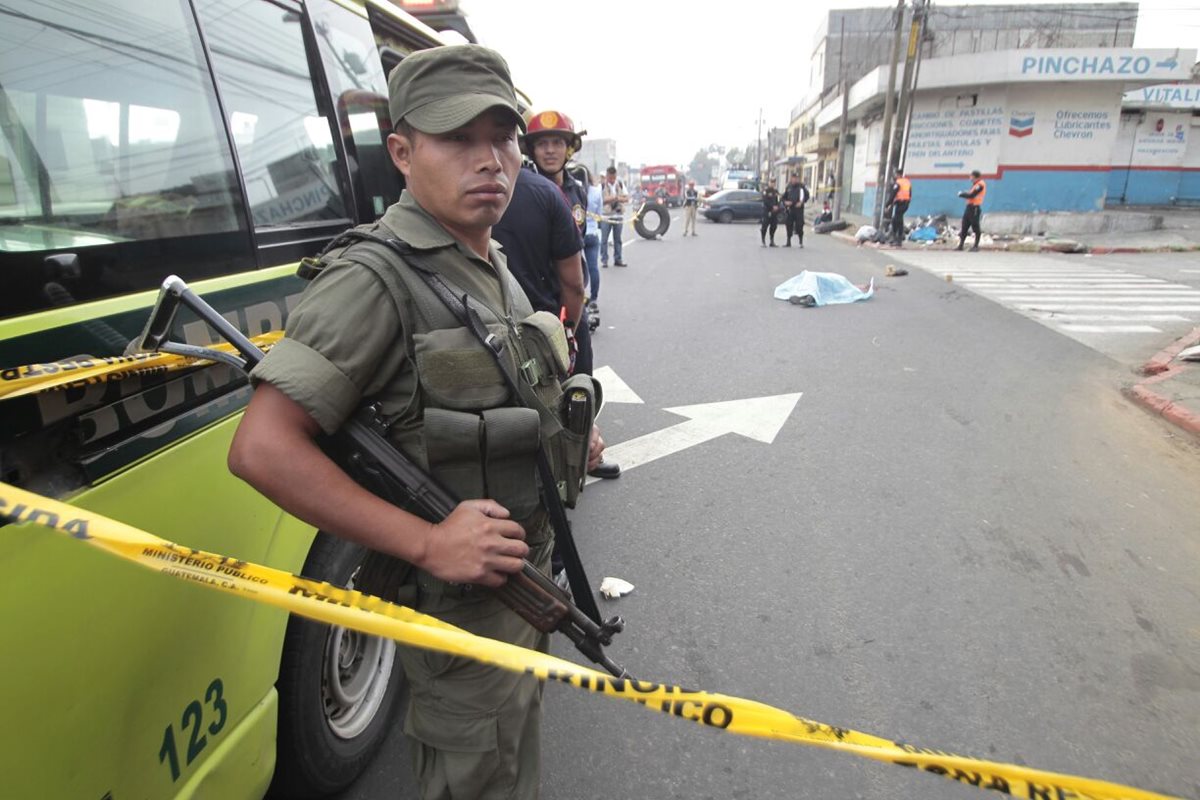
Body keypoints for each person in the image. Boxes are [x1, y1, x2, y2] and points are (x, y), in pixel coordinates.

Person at [227, 45, 606, 799]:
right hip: (460, 612)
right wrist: (427, 541)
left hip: (520, 587)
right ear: (401, 152)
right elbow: (262, 448)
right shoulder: (376, 276)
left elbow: (499, 389)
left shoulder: (482, 256)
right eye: (457, 138)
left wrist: (566, 434)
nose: (490, 160)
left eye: (502, 138)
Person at [600, 166, 629, 267]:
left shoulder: (620, 184)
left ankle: (618, 259)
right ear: (607, 176)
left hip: (618, 215)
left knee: (618, 239)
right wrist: (614, 198)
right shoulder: (602, 186)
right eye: (610, 178)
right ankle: (604, 261)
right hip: (606, 216)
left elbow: (626, 199)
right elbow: (601, 201)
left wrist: (617, 199)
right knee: (604, 240)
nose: (612, 180)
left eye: (614, 178)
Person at [956, 169, 987, 251]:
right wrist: (966, 193)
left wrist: (961, 194)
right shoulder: (975, 185)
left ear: (975, 177)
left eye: (971, 176)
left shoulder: (980, 185)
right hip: (969, 207)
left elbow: (972, 195)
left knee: (975, 227)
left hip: (975, 208)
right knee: (964, 226)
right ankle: (961, 245)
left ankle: (976, 246)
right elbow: (970, 194)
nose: (970, 178)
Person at [780, 173, 810, 248]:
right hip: (790, 209)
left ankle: (801, 241)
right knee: (788, 225)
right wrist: (785, 202)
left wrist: (801, 202)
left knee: (799, 225)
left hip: (798, 209)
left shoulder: (801, 187)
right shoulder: (788, 187)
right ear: (791, 178)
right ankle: (788, 241)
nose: (794, 179)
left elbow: (807, 196)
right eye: (793, 178)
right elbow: (783, 197)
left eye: (796, 178)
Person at [886, 168, 912, 246]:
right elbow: (910, 194)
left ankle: (897, 239)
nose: (895, 176)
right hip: (905, 203)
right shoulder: (907, 182)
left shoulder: (898, 183)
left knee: (896, 221)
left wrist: (887, 205)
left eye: (895, 174)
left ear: (898, 175)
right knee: (899, 219)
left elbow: (893, 194)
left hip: (901, 203)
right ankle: (897, 238)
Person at [760, 180, 780, 247]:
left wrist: (777, 206)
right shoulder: (766, 191)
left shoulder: (776, 191)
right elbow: (765, 200)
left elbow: (778, 200)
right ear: (769, 183)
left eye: (774, 183)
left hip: (774, 212)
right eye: (771, 182)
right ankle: (763, 241)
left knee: (774, 226)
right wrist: (772, 206)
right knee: (764, 226)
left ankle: (772, 241)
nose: (772, 184)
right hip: (767, 211)